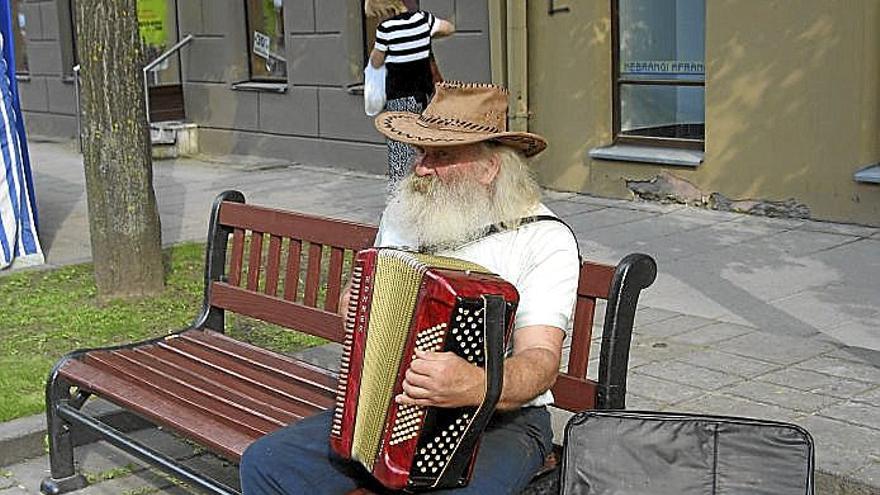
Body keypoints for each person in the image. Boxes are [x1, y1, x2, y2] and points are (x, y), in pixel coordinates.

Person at [240, 82, 580, 494]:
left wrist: (474, 383)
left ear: (490, 167)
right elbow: (366, 286)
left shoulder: (543, 239)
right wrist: (356, 303)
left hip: (499, 420)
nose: (420, 167)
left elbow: (540, 362)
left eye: (441, 155)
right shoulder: (407, 211)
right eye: (421, 152)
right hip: (389, 405)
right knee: (267, 465)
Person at [365, 0, 455, 189]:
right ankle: (427, 191)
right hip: (425, 96)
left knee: (401, 151)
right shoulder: (423, 19)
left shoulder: (386, 29)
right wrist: (426, 37)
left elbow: (375, 61)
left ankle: (400, 201)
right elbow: (449, 28)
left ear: (383, 9)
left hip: (400, 98)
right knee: (424, 146)